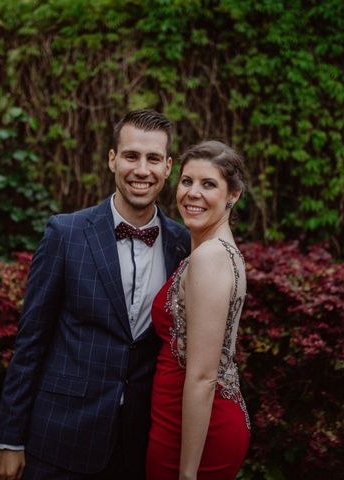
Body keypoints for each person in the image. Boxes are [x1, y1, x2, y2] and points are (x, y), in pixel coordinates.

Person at [0, 109, 191, 480]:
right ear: (112, 159)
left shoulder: (182, 244)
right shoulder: (65, 234)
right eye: (131, 156)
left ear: (168, 167)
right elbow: (31, 341)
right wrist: (9, 440)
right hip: (61, 438)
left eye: (153, 159)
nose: (141, 170)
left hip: (139, 442)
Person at [146, 141, 250, 480]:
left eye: (208, 184)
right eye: (187, 181)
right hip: (181, 421)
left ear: (233, 194)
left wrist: (187, 473)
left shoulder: (210, 257)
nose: (192, 193)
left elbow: (204, 376)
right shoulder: (218, 252)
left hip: (192, 434)